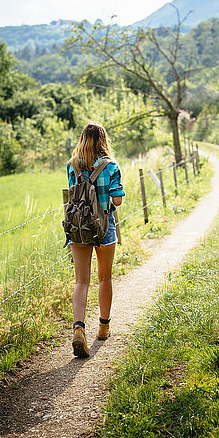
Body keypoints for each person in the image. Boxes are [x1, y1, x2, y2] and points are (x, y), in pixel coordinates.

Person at [67, 122, 125, 358]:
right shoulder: (110, 166)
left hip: (78, 227)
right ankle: (103, 327)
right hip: (103, 228)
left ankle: (78, 328)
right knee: (104, 278)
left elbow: (73, 192)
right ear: (103, 140)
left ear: (82, 139)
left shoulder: (72, 165)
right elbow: (118, 200)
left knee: (81, 281)